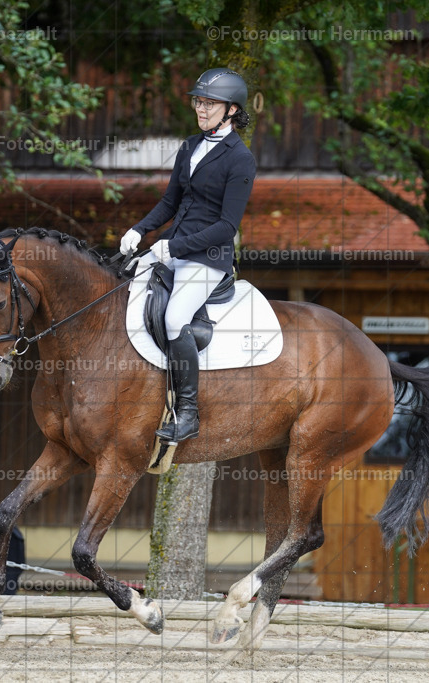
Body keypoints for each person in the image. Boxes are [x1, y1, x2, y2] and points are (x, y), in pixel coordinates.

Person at [119, 67, 257, 443]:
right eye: (199, 101)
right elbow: (170, 201)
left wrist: (174, 246)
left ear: (231, 110)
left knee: (175, 316)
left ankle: (188, 413)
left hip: (207, 257)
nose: (201, 108)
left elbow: (227, 226)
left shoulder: (240, 159)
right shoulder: (190, 145)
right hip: (170, 246)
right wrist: (140, 229)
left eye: (209, 103)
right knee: (122, 288)